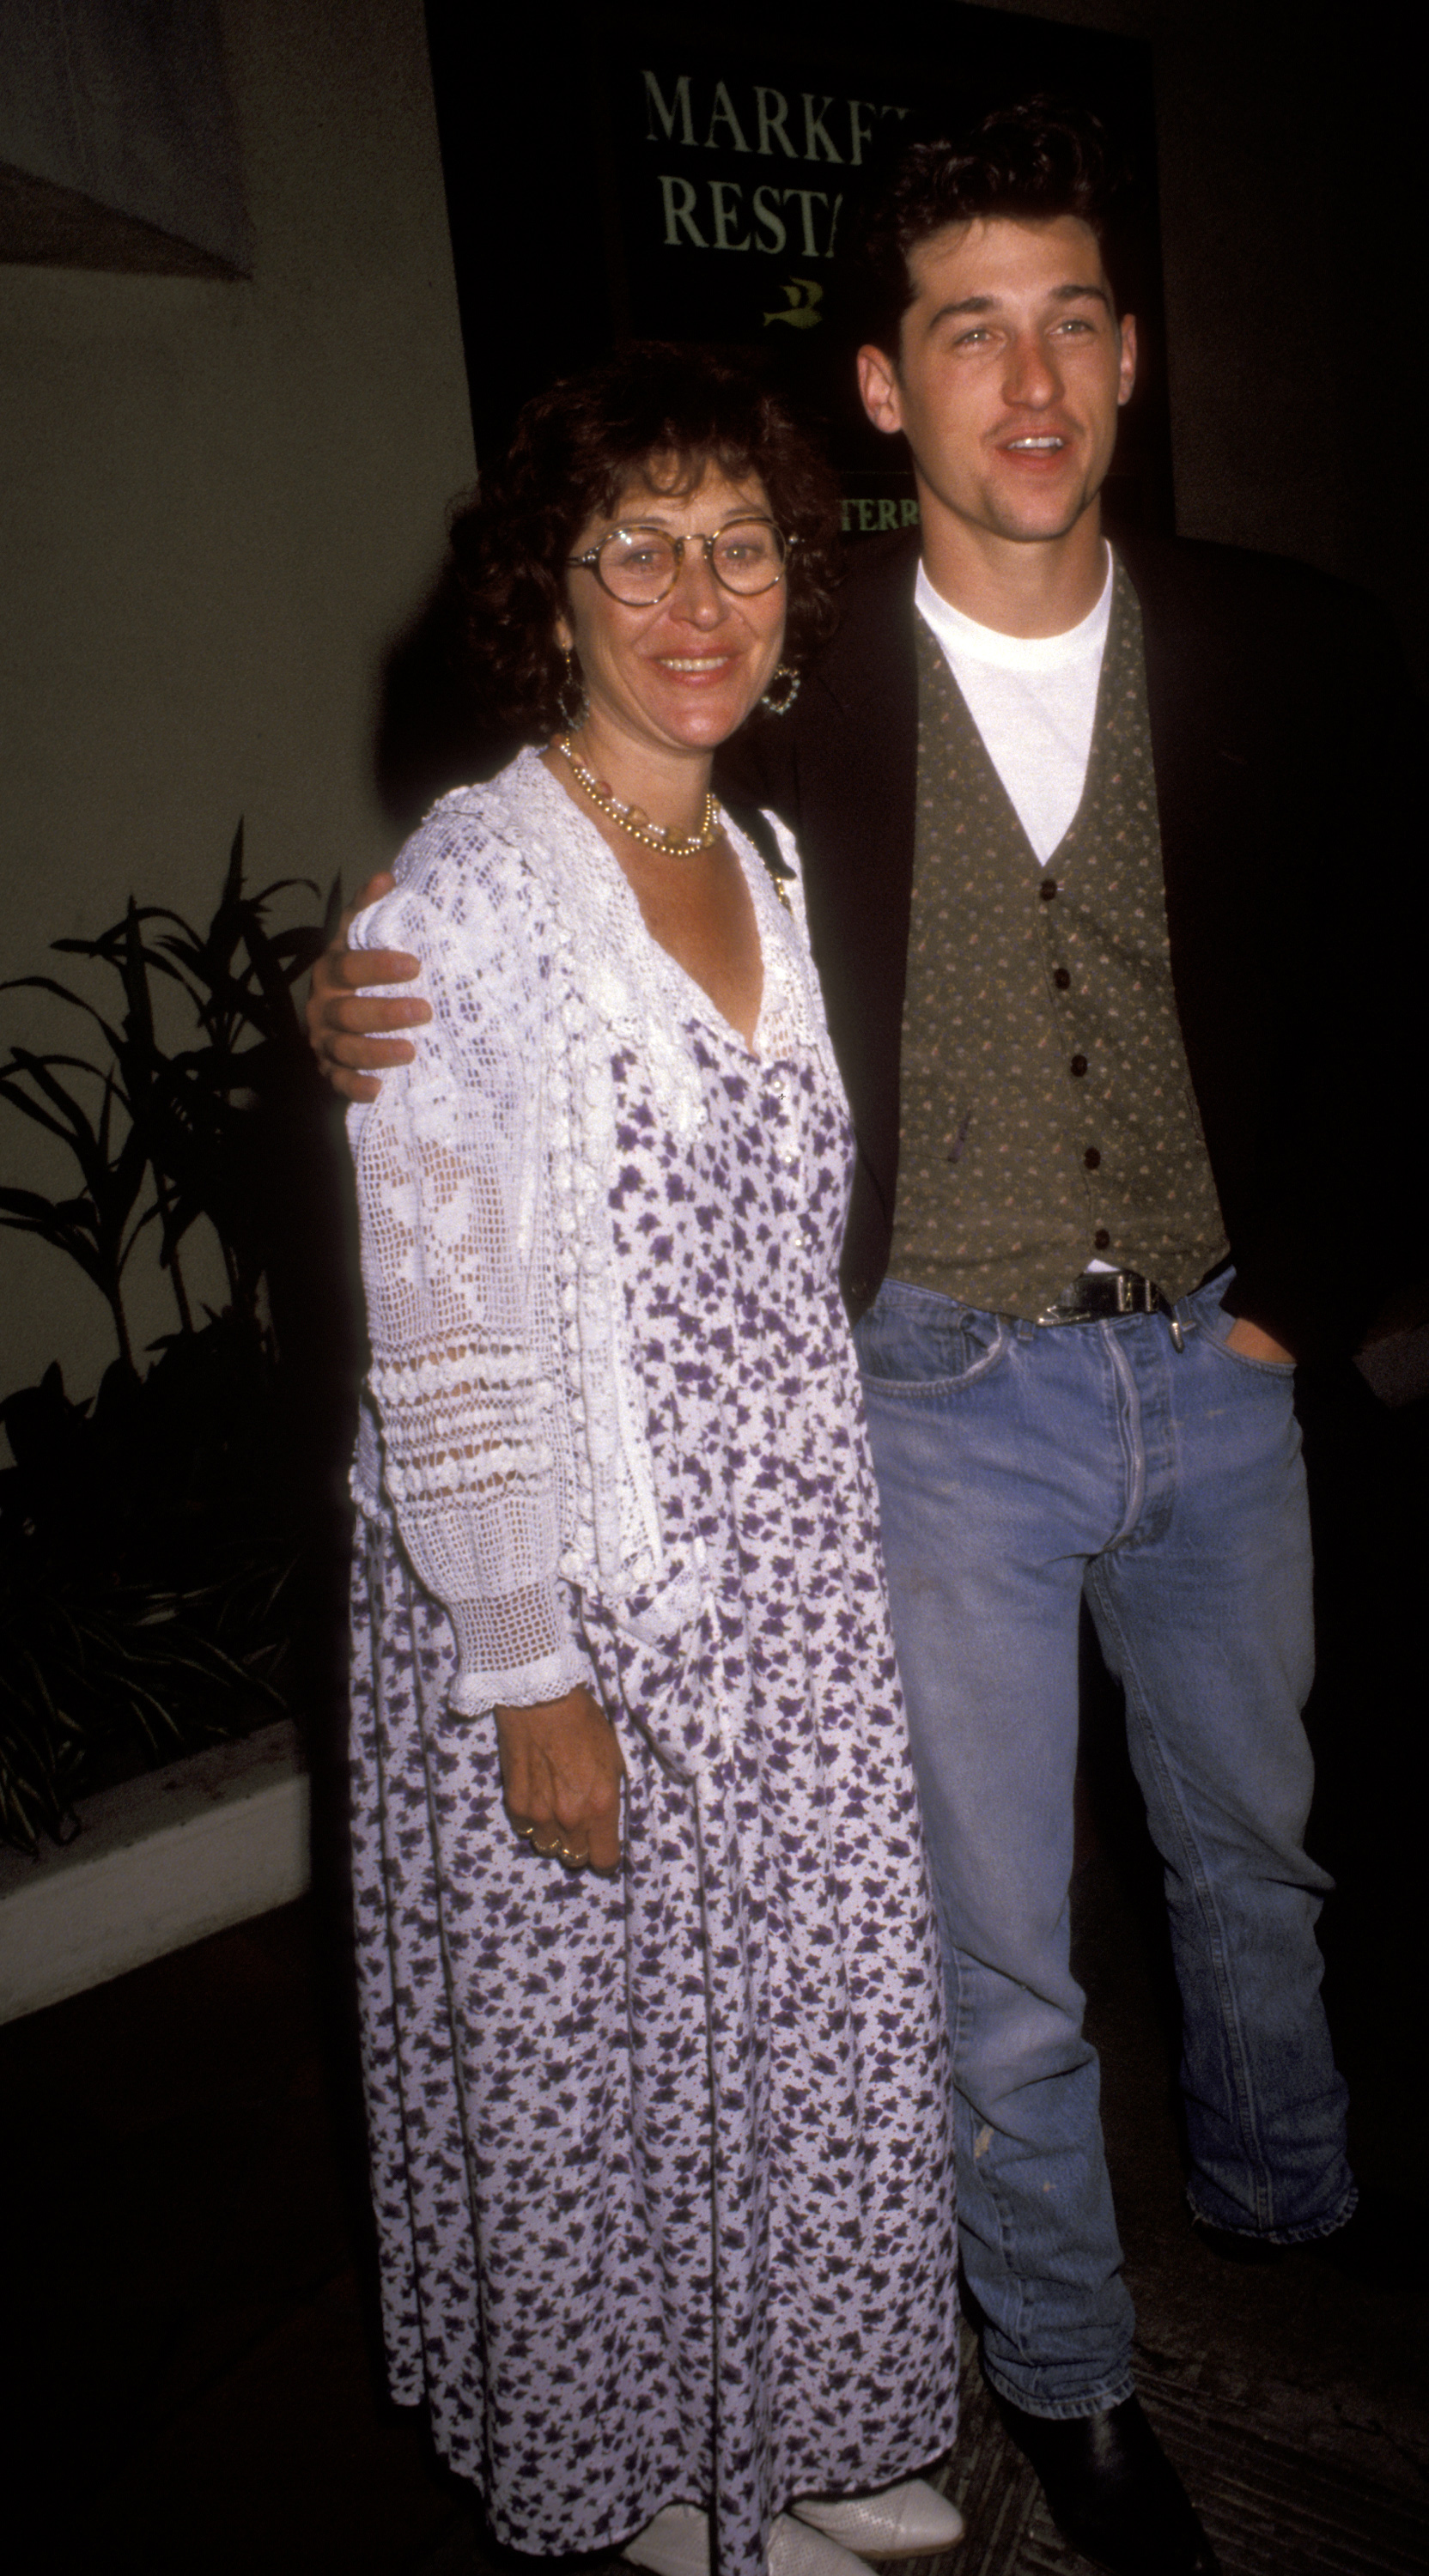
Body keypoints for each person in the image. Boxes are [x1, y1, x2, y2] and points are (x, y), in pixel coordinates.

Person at [317, 106, 1429, 2576]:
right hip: (933, 1402)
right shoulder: (797, 681)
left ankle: (1290, 2202)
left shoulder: (1289, 636)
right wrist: (362, 995)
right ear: (886, 383)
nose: (1029, 376)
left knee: (1256, 1863)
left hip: (1215, 1363)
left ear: (1131, 353)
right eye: (971, 327)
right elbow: (551, 866)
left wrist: (1303, 1292)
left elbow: (1406, 988)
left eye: (1071, 317)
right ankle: (1065, 2382)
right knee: (1000, 1957)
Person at [341, 346, 964, 2576]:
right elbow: (441, 1325)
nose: (697, 596)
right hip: (592, 1587)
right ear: (553, 587)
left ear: (796, 582)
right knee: (623, 2078)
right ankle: (664, 2486)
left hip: (787, 1573)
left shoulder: (765, 851)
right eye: (640, 549)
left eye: (742, 545)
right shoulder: (471, 897)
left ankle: (792, 2421)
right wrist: (525, 1670)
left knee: (796, 2045)